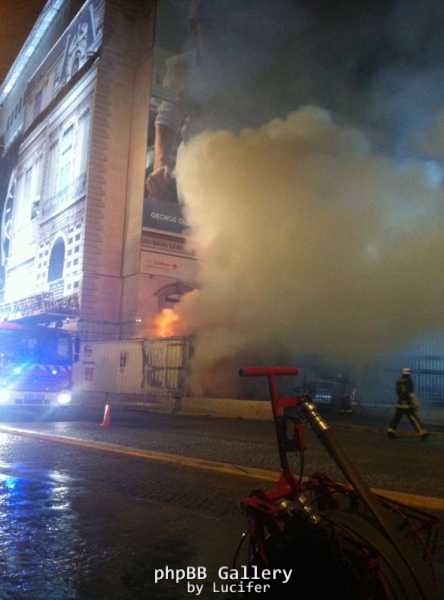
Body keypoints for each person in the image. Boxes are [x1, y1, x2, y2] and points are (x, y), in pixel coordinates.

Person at [387, 368, 430, 440]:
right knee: (414, 419)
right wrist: (416, 403)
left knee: (396, 418)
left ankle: (390, 432)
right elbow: (411, 394)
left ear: (402, 373)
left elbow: (398, 392)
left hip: (399, 403)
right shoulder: (409, 381)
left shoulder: (398, 381)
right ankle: (423, 433)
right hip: (407, 404)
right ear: (409, 373)